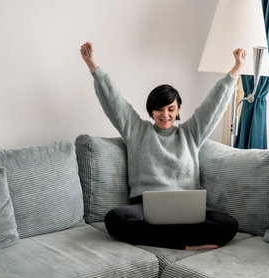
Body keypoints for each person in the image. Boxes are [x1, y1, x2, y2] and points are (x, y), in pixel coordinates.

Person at [80, 42, 246, 250]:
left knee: (228, 224)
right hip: (145, 209)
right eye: (159, 109)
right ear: (151, 111)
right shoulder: (137, 130)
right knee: (115, 218)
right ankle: (184, 244)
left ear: (178, 109)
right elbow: (114, 102)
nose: (165, 115)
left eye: (171, 108)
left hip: (186, 209)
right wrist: (93, 65)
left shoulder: (191, 133)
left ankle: (166, 240)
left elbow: (214, 105)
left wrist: (236, 70)